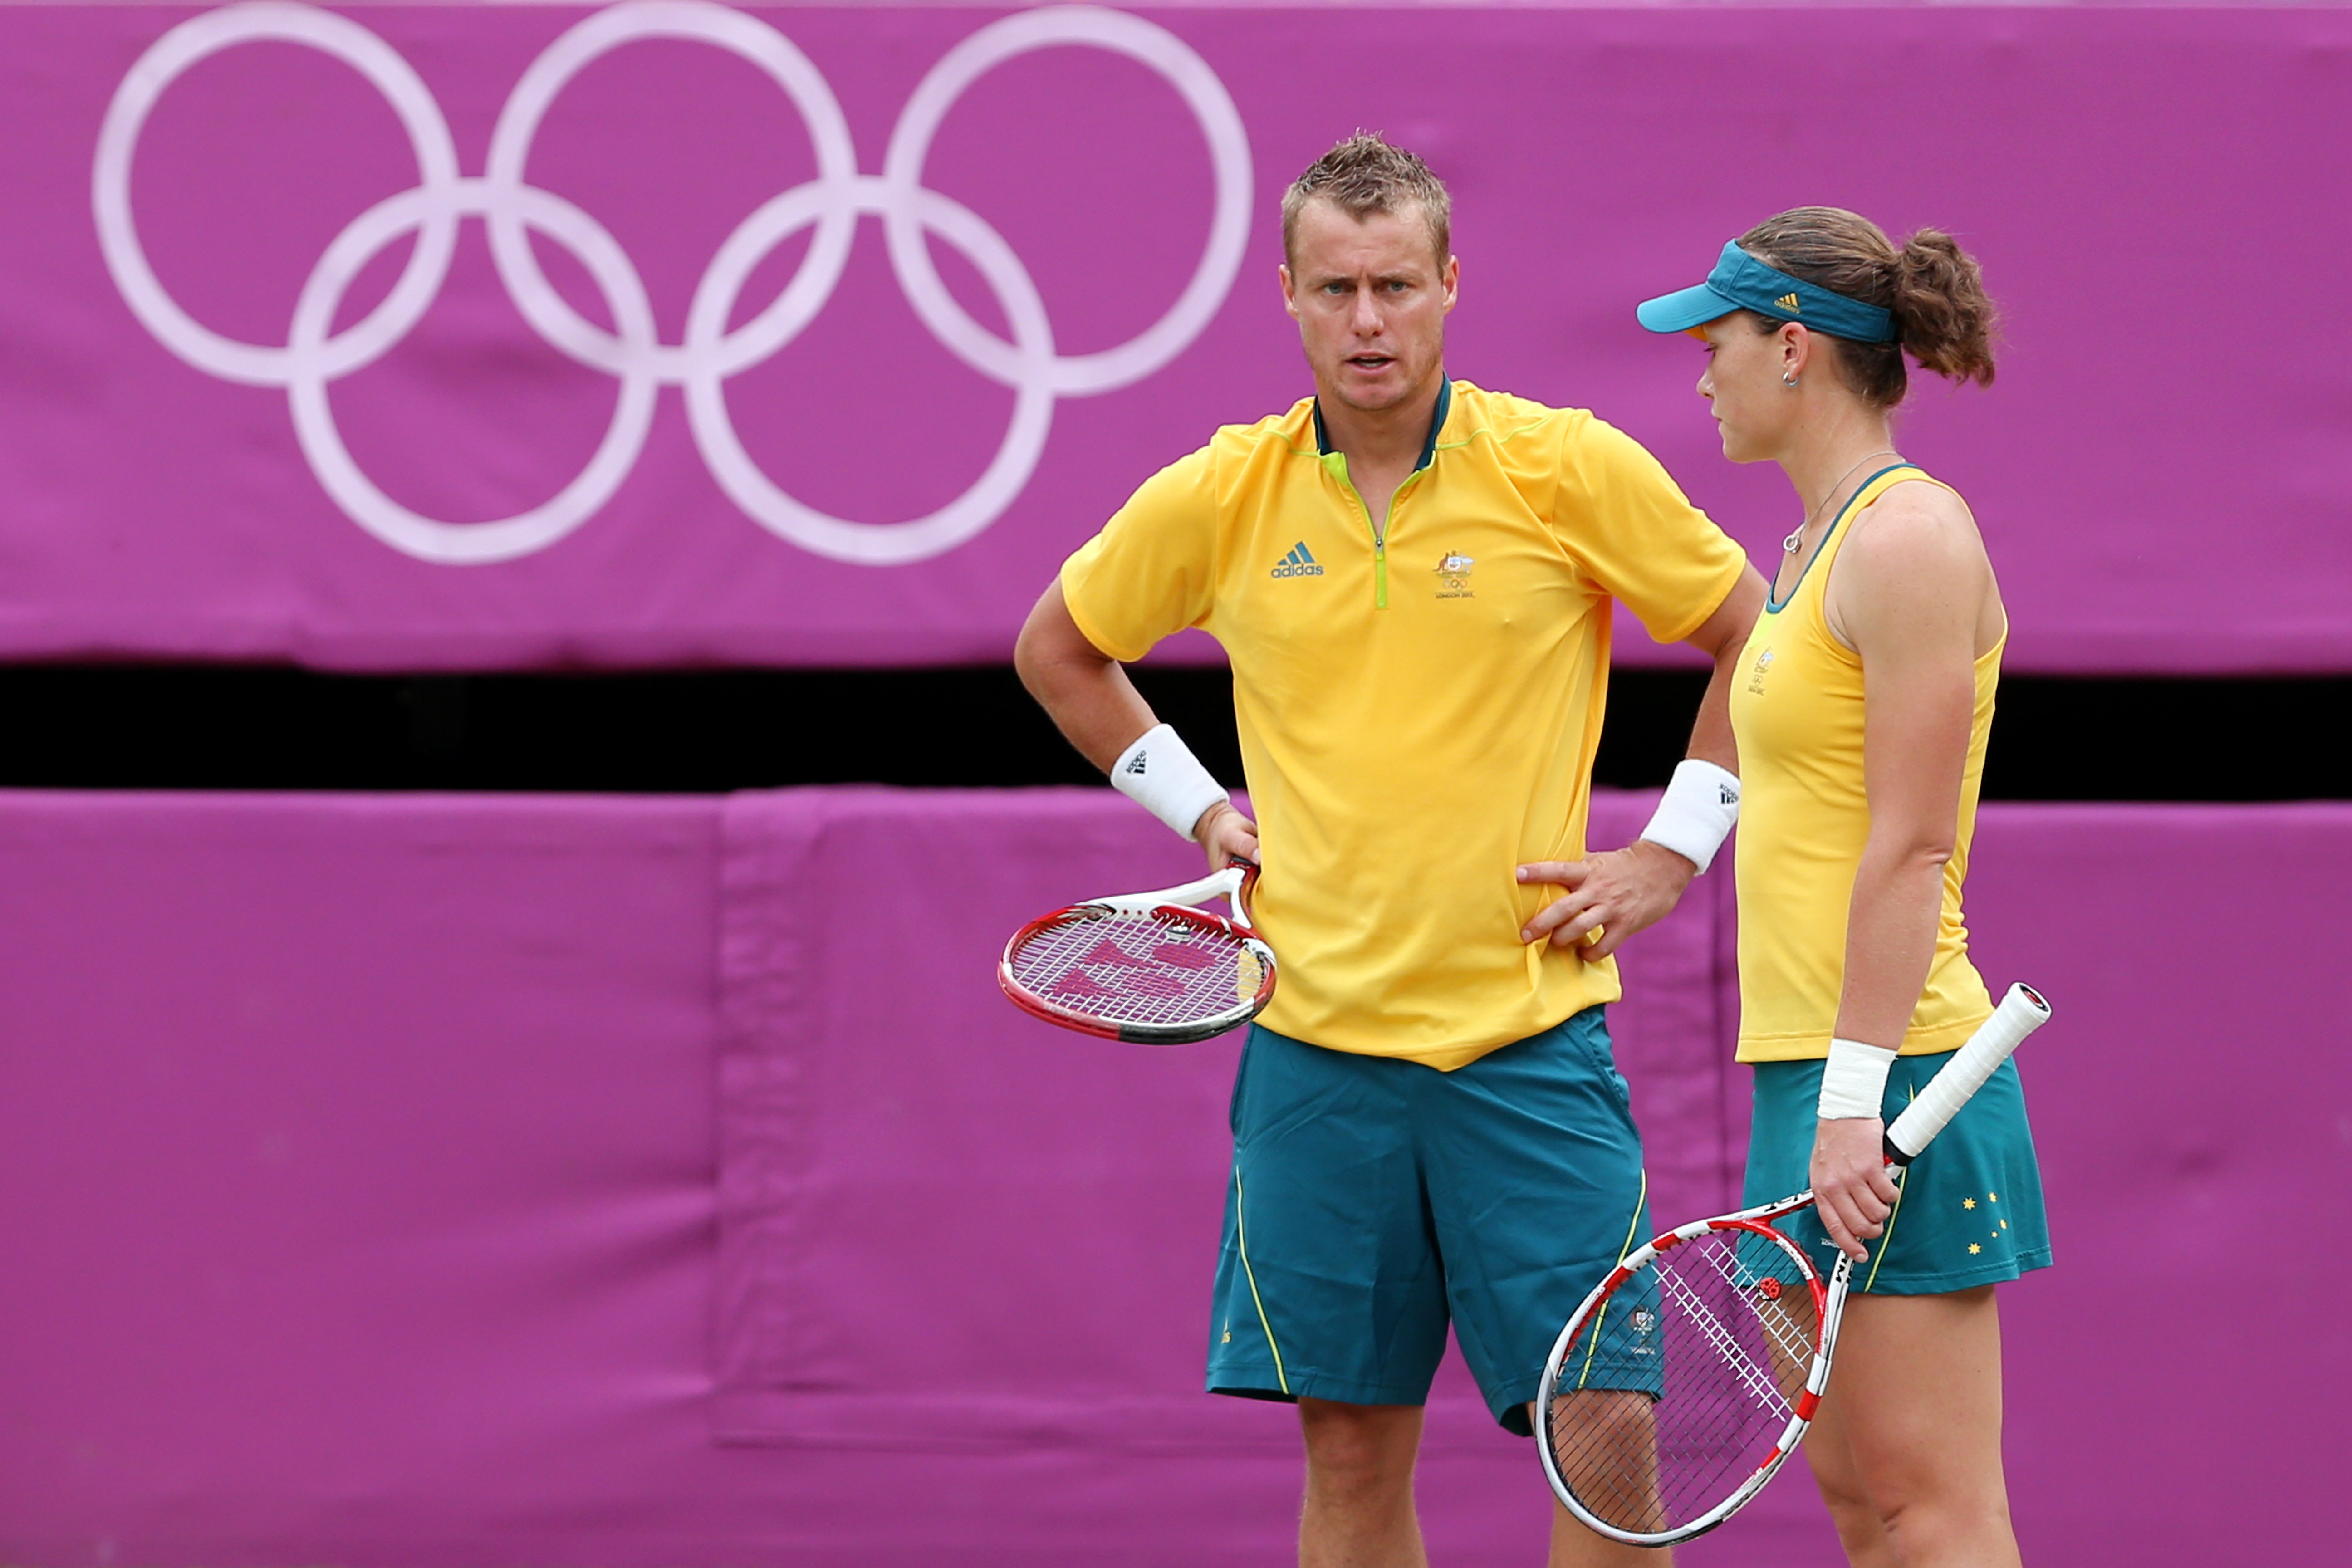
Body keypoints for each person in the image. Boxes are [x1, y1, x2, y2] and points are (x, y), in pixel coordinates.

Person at [1015, 133, 1768, 1567]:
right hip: (1315, 1056)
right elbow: (1061, 651)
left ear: (1450, 289)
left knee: (1606, 1442)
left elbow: (1753, 636)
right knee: (1352, 1460)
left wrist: (1673, 851)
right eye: (1338, 289)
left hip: (1531, 1045)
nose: (1370, 321)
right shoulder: (1224, 494)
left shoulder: (1563, 467)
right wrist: (1202, 810)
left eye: (1398, 287)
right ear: (1290, 298)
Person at [1629, 211, 2051, 1568]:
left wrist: (1855, 1103)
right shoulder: (1811, 552)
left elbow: (1913, 846)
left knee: (1935, 1515)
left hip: (1896, 1073)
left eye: (1720, 345)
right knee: (1864, 1510)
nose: (1703, 376)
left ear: (1793, 348)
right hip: (1807, 1072)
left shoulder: (1910, 540)